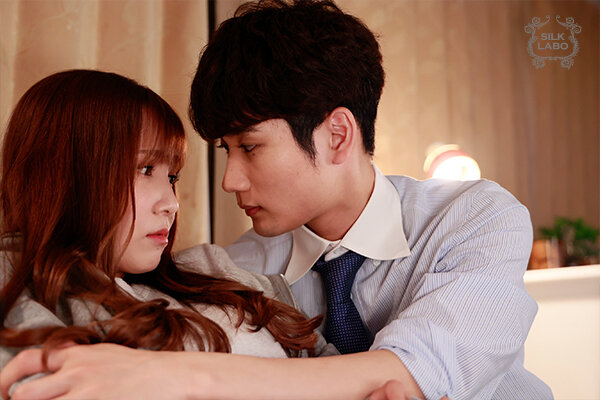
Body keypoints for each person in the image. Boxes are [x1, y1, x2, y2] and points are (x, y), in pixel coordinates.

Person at [2, 1, 553, 399]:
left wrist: (177, 377)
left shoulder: (474, 217)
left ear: (337, 135)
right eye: (226, 150)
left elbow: (414, 372)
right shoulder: (235, 272)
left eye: (250, 147)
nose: (229, 181)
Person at [0, 69, 332, 400]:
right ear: (70, 173)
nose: (172, 204)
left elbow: (344, 372)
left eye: (172, 177)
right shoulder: (19, 289)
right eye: (146, 170)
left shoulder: (216, 273)